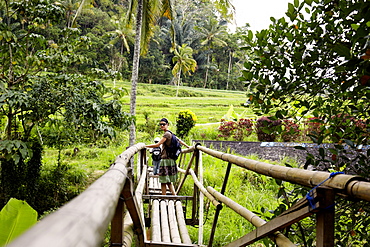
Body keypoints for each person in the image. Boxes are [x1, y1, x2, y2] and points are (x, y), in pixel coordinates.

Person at [145, 118, 190, 195]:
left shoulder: (166, 134)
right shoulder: (171, 134)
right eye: (160, 124)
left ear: (167, 125)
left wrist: (145, 146)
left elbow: (157, 144)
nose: (162, 126)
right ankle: (174, 196)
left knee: (163, 181)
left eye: (163, 124)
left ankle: (164, 197)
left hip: (165, 160)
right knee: (168, 181)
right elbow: (180, 141)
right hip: (171, 160)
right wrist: (188, 147)